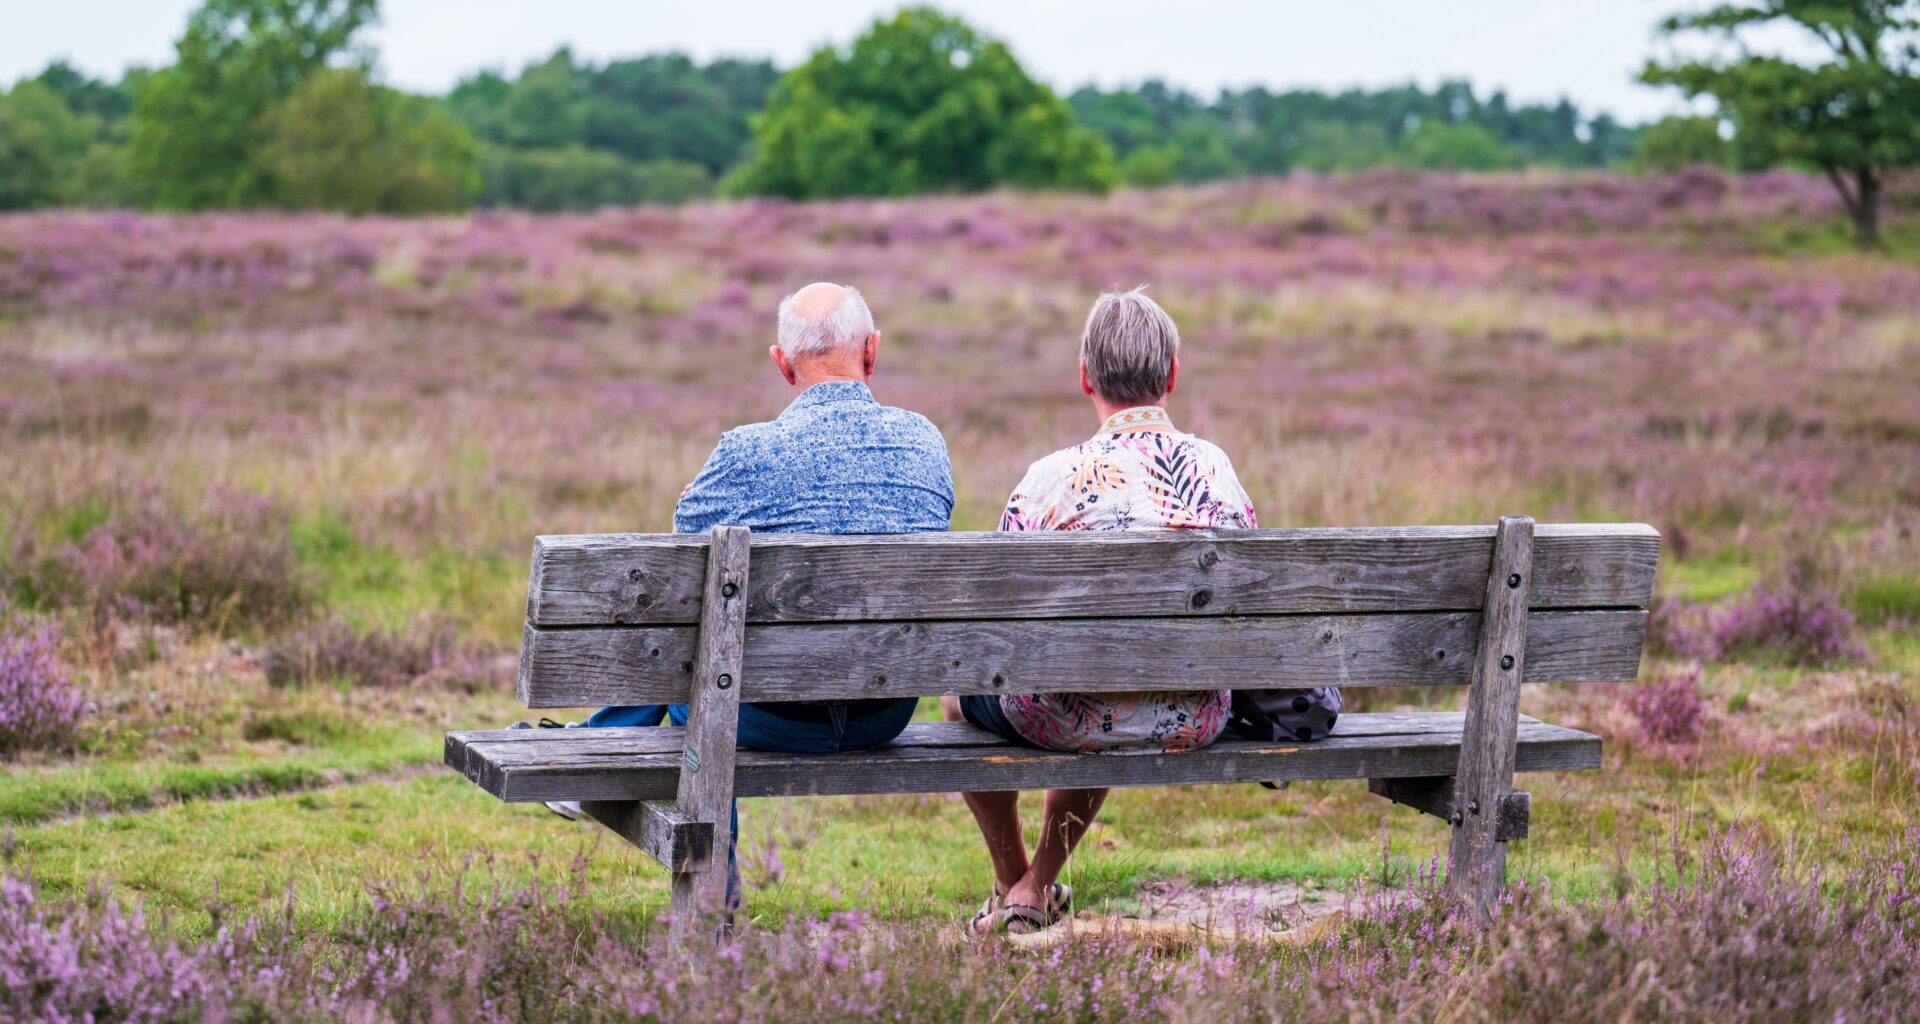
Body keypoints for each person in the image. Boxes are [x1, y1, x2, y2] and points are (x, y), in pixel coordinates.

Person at [527, 281, 954, 910]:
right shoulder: (925, 444)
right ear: (872, 351)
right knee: (711, 670)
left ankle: (711, 899)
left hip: (767, 719)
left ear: (783, 365)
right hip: (885, 712)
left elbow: (680, 548)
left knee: (704, 676)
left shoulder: (747, 451)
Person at [942, 286, 1257, 935]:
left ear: (1084, 376)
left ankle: (1015, 885)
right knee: (1118, 679)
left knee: (965, 694)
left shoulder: (1052, 478)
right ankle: (1034, 886)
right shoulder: (1218, 468)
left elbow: (993, 616)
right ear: (1171, 375)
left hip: (1063, 715)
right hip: (1196, 713)